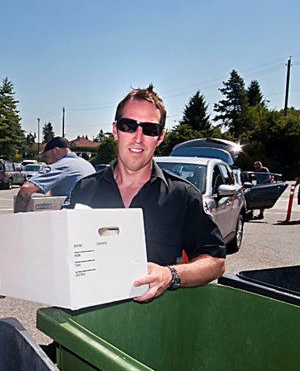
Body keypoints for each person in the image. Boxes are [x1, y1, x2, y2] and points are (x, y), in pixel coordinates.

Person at [66, 86, 226, 302]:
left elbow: (216, 262)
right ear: (115, 130)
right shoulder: (84, 190)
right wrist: (11, 273)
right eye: (128, 126)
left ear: (160, 137)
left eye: (149, 129)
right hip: (85, 322)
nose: (138, 138)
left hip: (149, 326)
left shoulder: (182, 195)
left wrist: (170, 275)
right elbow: (55, 252)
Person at [14, 137, 95, 212]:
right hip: (90, 215)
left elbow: (26, 189)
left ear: (55, 150)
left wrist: (18, 221)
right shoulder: (87, 164)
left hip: (68, 218)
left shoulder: (61, 165)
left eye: (47, 156)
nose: (48, 161)